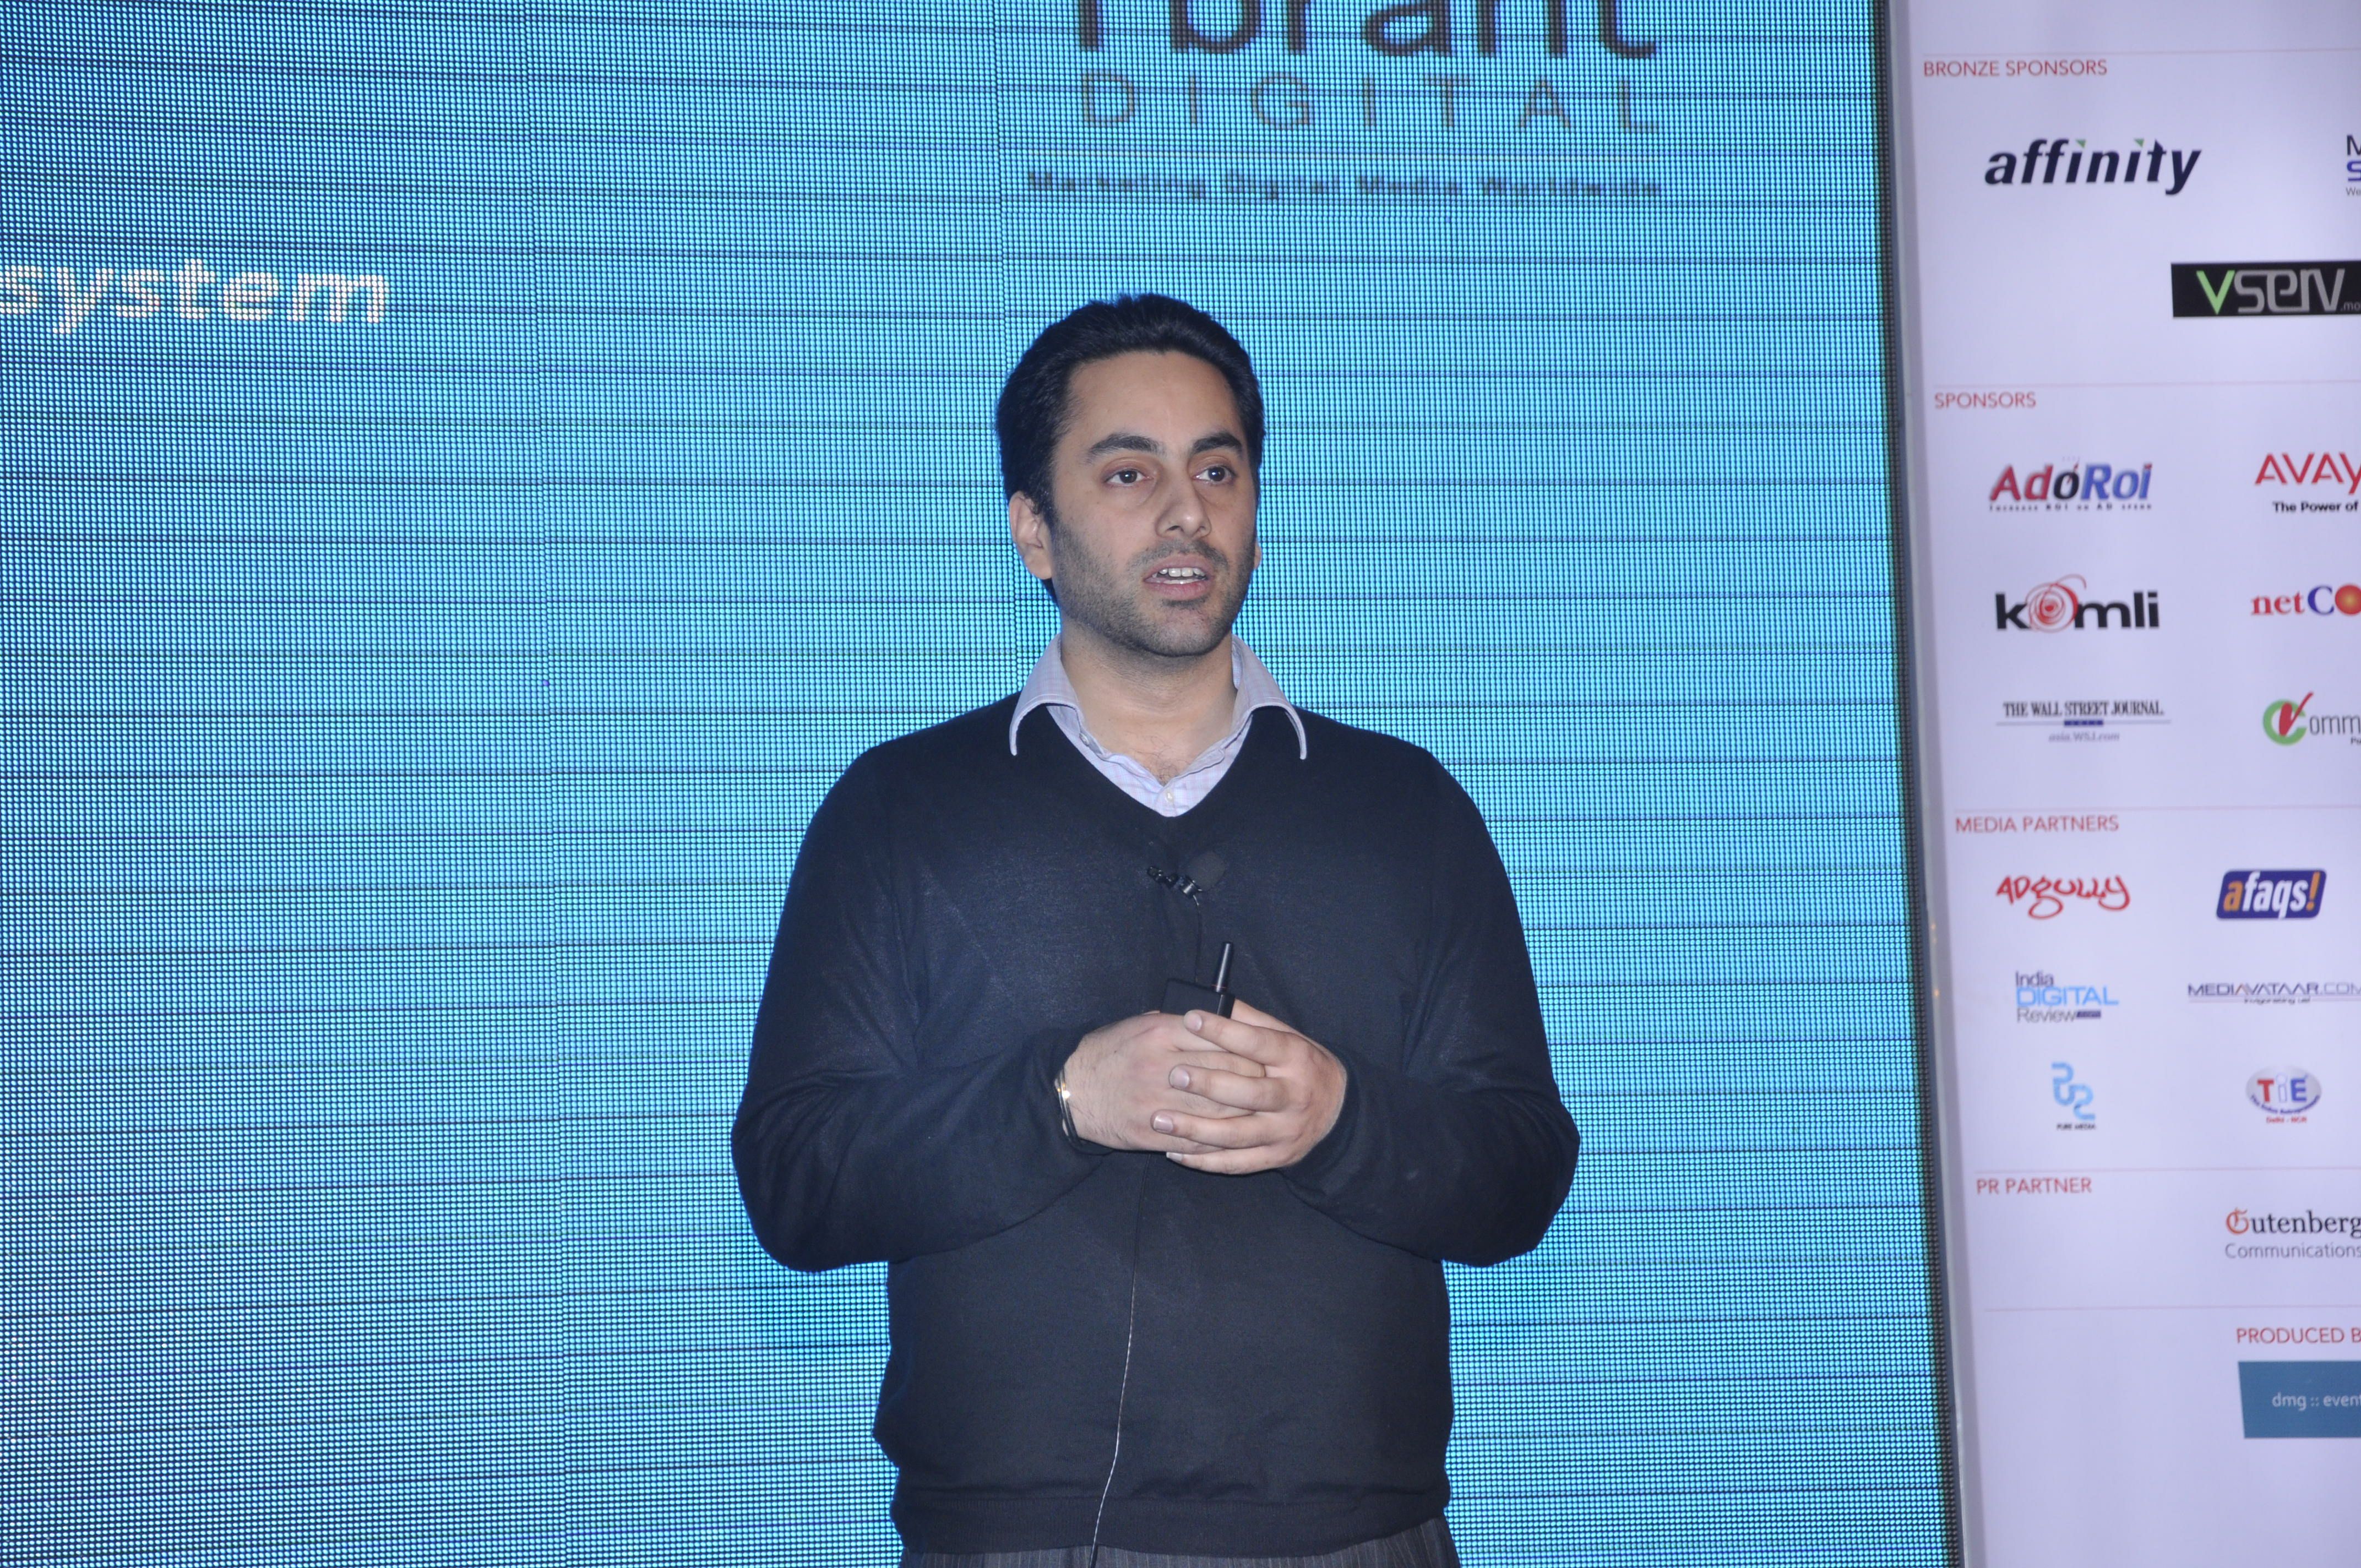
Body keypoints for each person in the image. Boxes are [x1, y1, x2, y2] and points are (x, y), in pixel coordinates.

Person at [732, 293, 1578, 1568]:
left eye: (1217, 471)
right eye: (1128, 473)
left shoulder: (1405, 809)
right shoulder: (901, 811)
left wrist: (1341, 1116)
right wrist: (1061, 1099)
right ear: (1032, 528)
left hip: (1355, 1532)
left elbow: (1519, 1171)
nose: (1186, 512)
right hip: (1014, 1536)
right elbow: (796, 1182)